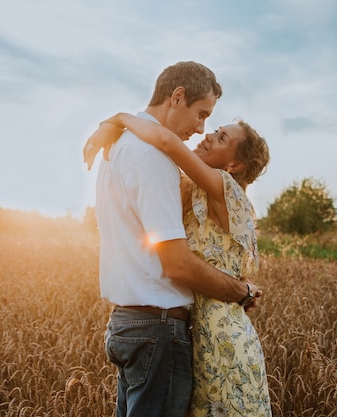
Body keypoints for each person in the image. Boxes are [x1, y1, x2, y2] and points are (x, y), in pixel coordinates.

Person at [82, 61, 262, 417]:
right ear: (177, 97)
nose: (202, 130)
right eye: (202, 115)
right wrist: (241, 291)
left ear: (236, 167)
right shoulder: (153, 157)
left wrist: (118, 119)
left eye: (216, 130)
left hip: (153, 326)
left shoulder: (118, 149)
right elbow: (176, 262)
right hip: (160, 328)